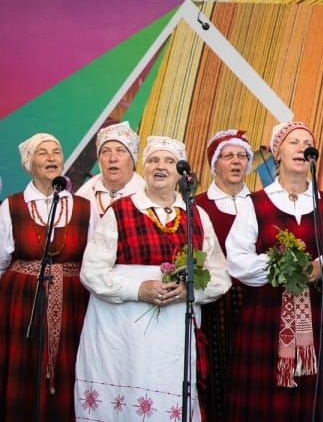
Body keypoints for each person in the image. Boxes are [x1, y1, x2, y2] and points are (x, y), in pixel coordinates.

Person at [75, 135, 231, 419]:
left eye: (169, 161)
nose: (160, 167)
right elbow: (92, 272)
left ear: (180, 170)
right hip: (121, 336)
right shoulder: (120, 211)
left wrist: (188, 291)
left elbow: (220, 277)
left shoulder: (197, 216)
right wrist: (139, 289)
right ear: (143, 168)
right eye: (153, 160)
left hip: (174, 337)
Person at [225, 121, 323, 422]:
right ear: (277, 153)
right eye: (293, 142)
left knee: (316, 395)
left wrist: (321, 267)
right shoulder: (254, 204)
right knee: (266, 397)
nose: (301, 148)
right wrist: (283, 267)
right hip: (267, 316)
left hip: (318, 316)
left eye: (307, 143)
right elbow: (238, 260)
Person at [0, 133, 90, 420]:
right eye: (43, 153)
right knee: (22, 367)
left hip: (73, 303)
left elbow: (94, 259)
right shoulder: (12, 206)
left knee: (69, 365)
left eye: (56, 151)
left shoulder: (83, 207)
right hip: (21, 302)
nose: (52, 157)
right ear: (29, 163)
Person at [192, 129, 254, 422]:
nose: (235, 161)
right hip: (215, 303)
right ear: (214, 163)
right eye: (228, 155)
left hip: (255, 299)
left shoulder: (261, 203)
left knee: (252, 370)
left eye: (242, 156)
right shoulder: (197, 206)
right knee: (218, 370)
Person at [76, 120, 146, 224]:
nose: (113, 158)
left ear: (133, 159)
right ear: (99, 160)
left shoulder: (147, 199)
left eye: (120, 151)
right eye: (106, 151)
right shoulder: (81, 197)